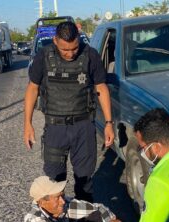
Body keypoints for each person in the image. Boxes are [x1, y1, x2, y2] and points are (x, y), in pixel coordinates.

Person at [24, 21, 114, 202]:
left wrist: (108, 123)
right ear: (56, 41)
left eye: (74, 48)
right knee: (54, 181)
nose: (71, 53)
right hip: (55, 129)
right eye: (65, 50)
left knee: (85, 180)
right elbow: (33, 88)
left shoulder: (90, 55)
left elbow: (101, 88)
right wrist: (28, 123)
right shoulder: (44, 56)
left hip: (83, 127)